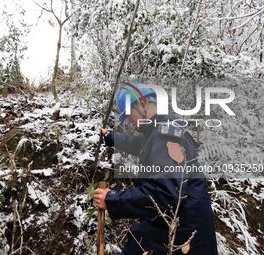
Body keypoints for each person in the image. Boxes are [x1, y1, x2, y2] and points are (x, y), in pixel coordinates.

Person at [93, 82, 218, 255]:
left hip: (185, 234)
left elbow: (164, 194)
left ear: (143, 104)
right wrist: (111, 137)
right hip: (180, 225)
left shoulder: (164, 134)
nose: (128, 120)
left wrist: (112, 199)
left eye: (129, 114)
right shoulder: (158, 129)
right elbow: (140, 145)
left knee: (136, 244)